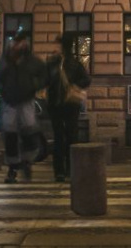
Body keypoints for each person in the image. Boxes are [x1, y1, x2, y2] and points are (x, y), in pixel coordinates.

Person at [0, 29, 47, 183]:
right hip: (10, 100)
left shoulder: (32, 61)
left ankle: (27, 160)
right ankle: (13, 166)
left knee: (29, 129)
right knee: (10, 132)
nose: (17, 45)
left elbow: (44, 75)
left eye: (20, 42)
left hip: (26, 99)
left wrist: (35, 85)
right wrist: (2, 89)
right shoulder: (4, 61)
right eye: (15, 42)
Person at [46, 33, 91, 182]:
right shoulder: (52, 63)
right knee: (59, 137)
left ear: (63, 47)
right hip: (56, 105)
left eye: (57, 44)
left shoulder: (74, 63)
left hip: (70, 104)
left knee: (71, 136)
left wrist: (74, 86)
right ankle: (60, 171)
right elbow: (45, 80)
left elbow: (86, 80)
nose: (55, 47)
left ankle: (70, 169)